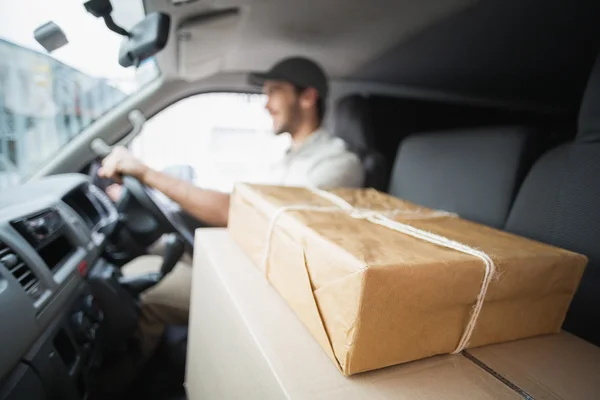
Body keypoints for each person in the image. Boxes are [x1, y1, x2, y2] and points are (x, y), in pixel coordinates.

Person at [98, 56, 365, 373]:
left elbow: (241, 211)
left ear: (307, 97)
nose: (266, 105)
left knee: (145, 289)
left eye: (274, 92)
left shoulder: (336, 164)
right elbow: (240, 203)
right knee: (150, 254)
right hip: (244, 265)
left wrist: (145, 173)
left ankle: (118, 383)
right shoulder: (284, 159)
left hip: (269, 294)